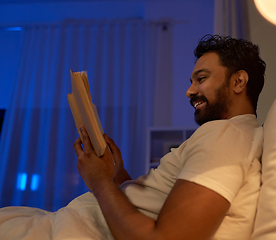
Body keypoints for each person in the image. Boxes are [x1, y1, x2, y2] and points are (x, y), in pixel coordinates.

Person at [74, 34, 266, 240]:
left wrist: (99, 181)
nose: (189, 91)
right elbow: (151, 204)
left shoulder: (225, 135)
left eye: (201, 79)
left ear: (238, 81)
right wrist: (117, 176)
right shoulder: (231, 136)